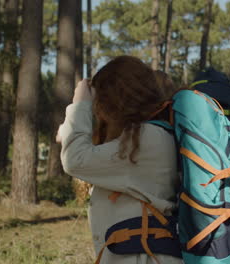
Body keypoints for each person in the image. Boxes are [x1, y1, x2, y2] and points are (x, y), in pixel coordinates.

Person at [56, 56, 182, 264]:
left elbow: (75, 159)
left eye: (100, 101)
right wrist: (70, 133)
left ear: (115, 99)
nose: (99, 110)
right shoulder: (153, 136)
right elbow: (95, 155)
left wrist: (79, 104)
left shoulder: (147, 138)